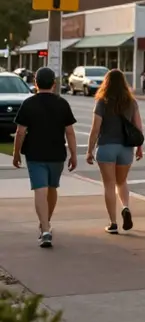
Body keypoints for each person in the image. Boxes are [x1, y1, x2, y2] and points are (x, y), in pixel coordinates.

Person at [11, 66, 78, 247]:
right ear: (54, 85)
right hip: (57, 154)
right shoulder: (62, 103)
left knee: (40, 190)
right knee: (52, 188)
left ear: (35, 84)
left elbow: (20, 132)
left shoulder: (29, 103)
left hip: (35, 153)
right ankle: (46, 223)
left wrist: (16, 153)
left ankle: (46, 228)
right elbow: (70, 132)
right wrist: (74, 154)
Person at [86, 68, 144, 234]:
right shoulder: (131, 103)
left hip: (106, 148)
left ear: (106, 83)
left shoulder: (102, 102)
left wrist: (90, 150)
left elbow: (95, 129)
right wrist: (139, 147)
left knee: (109, 185)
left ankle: (113, 223)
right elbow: (138, 127)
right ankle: (125, 207)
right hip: (126, 149)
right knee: (122, 182)